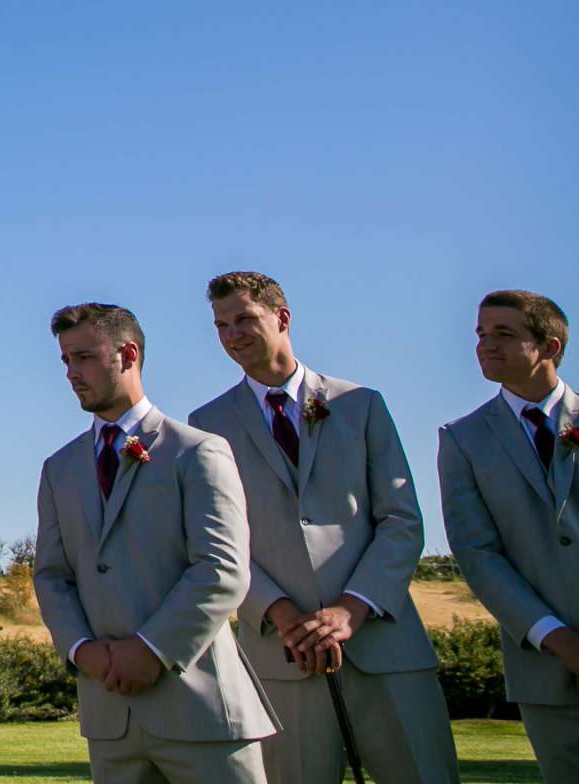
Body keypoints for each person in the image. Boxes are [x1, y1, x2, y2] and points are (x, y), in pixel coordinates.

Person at [187, 271, 454, 783]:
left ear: (282, 318)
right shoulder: (206, 425)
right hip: (280, 656)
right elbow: (216, 541)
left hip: (384, 645)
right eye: (221, 325)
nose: (232, 334)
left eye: (244, 319)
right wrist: (284, 615)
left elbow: (400, 520)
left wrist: (352, 609)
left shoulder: (360, 404)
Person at [32, 302, 272, 783]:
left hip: (202, 710)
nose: (71, 373)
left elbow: (222, 570)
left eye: (83, 357)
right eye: (65, 361)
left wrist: (151, 650)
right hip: (109, 717)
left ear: (127, 354)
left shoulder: (198, 451)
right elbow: (52, 576)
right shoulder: (59, 469)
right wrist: (82, 650)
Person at [437, 289, 579, 782]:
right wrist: (560, 642)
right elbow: (478, 554)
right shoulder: (461, 440)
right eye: (480, 334)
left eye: (504, 334)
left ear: (550, 347)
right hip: (546, 674)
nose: (485, 345)